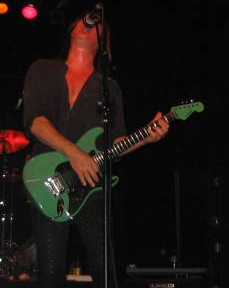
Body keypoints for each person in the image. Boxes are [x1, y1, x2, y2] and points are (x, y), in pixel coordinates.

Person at [22, 15, 169, 287]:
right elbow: (35, 122)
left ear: (105, 44)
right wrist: (75, 155)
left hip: (92, 188)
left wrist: (147, 137)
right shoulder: (43, 70)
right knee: (50, 272)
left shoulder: (109, 88)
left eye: (97, 24)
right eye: (83, 20)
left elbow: (116, 145)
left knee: (106, 273)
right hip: (48, 182)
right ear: (71, 31)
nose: (89, 24)